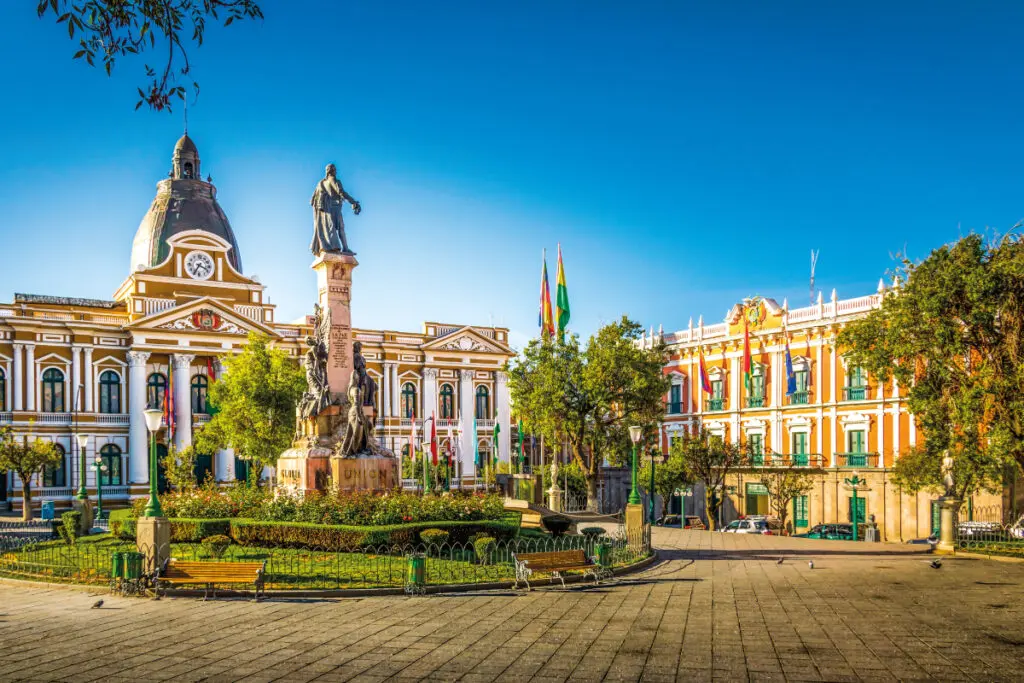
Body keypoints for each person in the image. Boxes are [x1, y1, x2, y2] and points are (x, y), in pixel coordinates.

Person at [310, 163, 361, 255]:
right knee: (341, 227)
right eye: (335, 170)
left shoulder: (321, 183)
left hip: (327, 210)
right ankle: (345, 248)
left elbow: (313, 200)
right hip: (335, 208)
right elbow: (341, 192)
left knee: (332, 228)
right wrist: (353, 202)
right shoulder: (333, 180)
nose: (336, 171)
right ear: (332, 171)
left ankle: (334, 247)